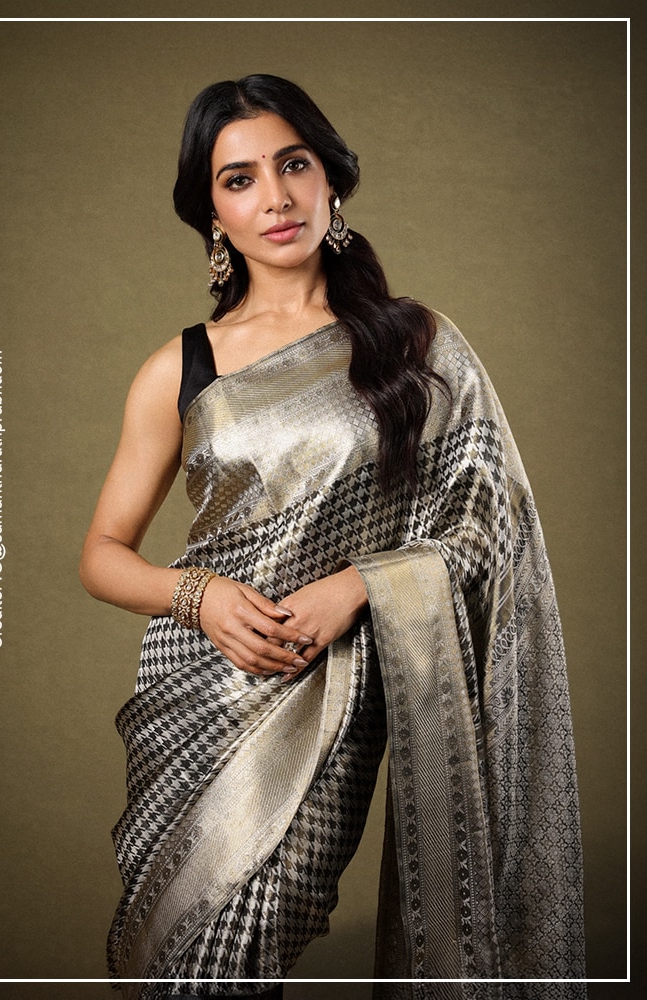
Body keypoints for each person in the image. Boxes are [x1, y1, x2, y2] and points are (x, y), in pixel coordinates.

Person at [79, 75, 586, 1000]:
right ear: (213, 215)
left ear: (330, 181)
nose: (274, 197)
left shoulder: (417, 343)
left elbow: (490, 519)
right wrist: (202, 596)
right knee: (180, 969)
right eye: (239, 180)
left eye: (294, 165)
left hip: (336, 689)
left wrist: (360, 586)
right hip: (201, 691)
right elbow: (103, 554)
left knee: (250, 947)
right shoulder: (180, 367)